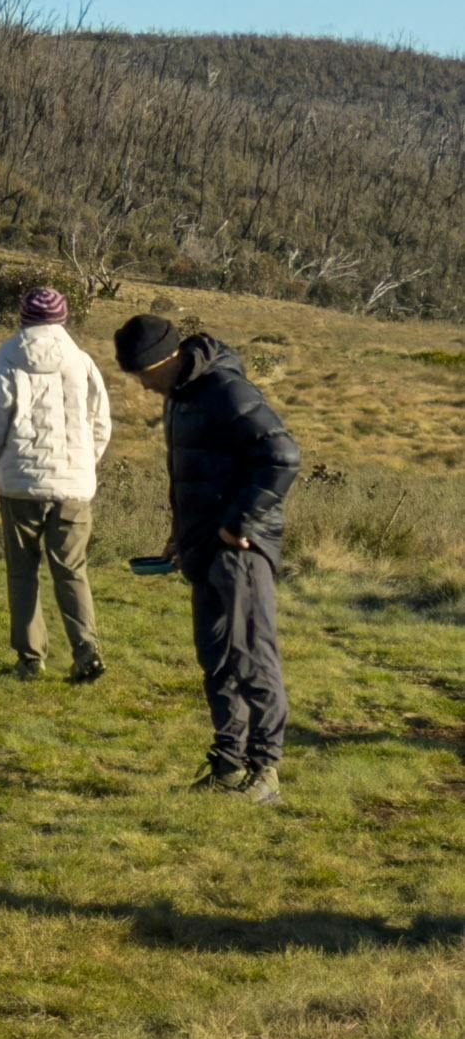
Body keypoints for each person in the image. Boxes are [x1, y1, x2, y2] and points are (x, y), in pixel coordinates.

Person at [115, 313, 302, 803]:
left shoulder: (225, 390)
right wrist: (180, 533)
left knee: (251, 654)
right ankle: (228, 763)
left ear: (167, 359)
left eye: (143, 375)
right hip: (203, 548)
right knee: (216, 656)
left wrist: (239, 522)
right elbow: (192, 474)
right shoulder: (180, 397)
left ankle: (265, 772)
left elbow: (282, 456)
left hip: (241, 549)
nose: (142, 386)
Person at [0, 284, 113, 683]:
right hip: (73, 485)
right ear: (63, 318)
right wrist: (84, 464)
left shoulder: (8, 356)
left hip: (20, 483)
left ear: (24, 317)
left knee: (23, 571)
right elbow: (101, 422)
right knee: (71, 570)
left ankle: (30, 658)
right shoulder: (82, 361)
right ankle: (86, 650)